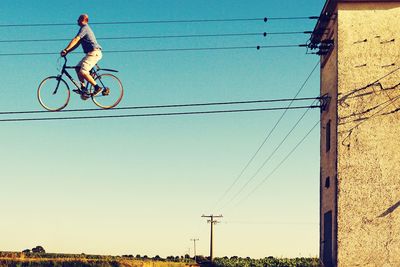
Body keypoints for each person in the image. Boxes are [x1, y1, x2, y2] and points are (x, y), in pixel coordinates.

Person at [60, 14, 108, 99]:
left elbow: (75, 39)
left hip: (94, 52)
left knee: (83, 71)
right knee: (78, 68)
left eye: (78, 19)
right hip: (90, 54)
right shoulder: (83, 29)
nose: (77, 21)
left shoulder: (85, 28)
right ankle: (83, 89)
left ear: (82, 19)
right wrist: (67, 51)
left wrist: (66, 50)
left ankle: (97, 87)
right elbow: (76, 44)